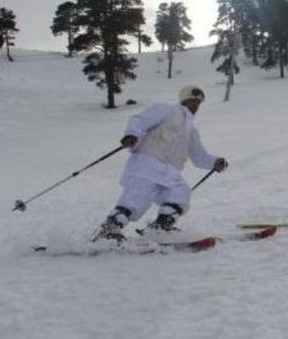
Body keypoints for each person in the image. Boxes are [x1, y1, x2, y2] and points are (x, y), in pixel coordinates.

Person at [94, 86, 228, 242]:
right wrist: (132, 134)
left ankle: (160, 228)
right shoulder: (166, 110)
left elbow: (199, 156)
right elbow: (140, 120)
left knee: (180, 193)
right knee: (135, 200)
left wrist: (214, 162)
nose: (196, 105)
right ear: (184, 98)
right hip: (146, 164)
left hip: (169, 172)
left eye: (199, 102)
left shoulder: (191, 130)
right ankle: (109, 230)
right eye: (193, 100)